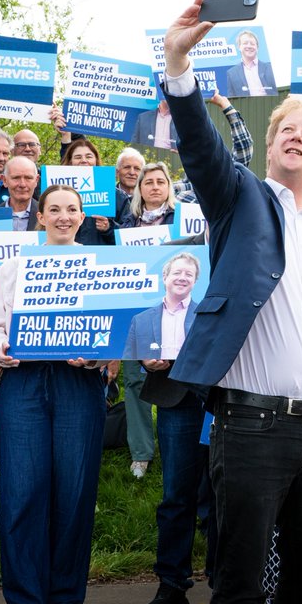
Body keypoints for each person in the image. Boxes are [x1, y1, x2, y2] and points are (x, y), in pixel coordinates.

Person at [161, 0, 302, 604]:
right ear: (270, 146)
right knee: (240, 587)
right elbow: (199, 148)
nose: (296, 137)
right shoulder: (241, 200)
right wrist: (177, 63)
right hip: (250, 430)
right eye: (286, 130)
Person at [0, 185, 108, 604]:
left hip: (79, 383)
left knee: (75, 491)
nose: (62, 216)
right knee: (22, 492)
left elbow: (116, 329)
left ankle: (63, 599)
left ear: (81, 216)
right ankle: (26, 602)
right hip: (24, 383)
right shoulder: (14, 267)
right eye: (53, 209)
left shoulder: (100, 266)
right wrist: (2, 351)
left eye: (71, 209)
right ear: (39, 217)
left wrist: (95, 353)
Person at [123, 251, 205, 604]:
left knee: (222, 497)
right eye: (177, 271)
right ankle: (172, 585)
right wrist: (145, 362)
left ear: (196, 280)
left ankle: (228, 586)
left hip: (216, 405)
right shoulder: (142, 320)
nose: (183, 276)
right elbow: (133, 357)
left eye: (190, 272)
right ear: (164, 277)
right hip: (175, 406)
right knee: (176, 496)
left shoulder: (208, 315)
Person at [119, 162, 180, 479]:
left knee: (177, 380)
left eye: (161, 181)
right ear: (139, 189)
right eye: (149, 182)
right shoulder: (125, 225)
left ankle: (177, 448)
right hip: (136, 314)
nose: (155, 186)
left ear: (169, 187)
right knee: (135, 382)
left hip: (176, 312)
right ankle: (141, 452)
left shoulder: (182, 222)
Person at [224, 30, 277, 97]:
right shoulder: (231, 73)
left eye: (252, 44)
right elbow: (231, 98)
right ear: (239, 47)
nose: (249, 46)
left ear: (257, 48)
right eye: (245, 43)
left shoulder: (270, 68)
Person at [3, 156, 40, 231]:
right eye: (16, 178)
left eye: (28, 178)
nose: (22, 184)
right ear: (4, 180)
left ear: (36, 180)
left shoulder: (47, 215)